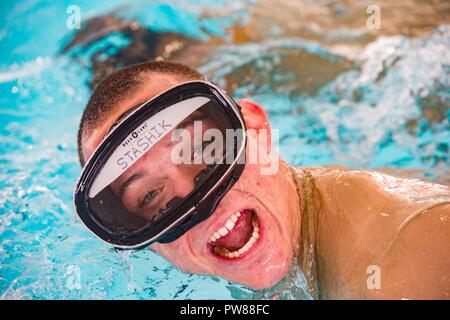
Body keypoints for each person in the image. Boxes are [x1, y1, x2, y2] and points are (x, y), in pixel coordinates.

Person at [75, 60, 450, 299]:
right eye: (153, 195)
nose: (204, 207)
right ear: (147, 242)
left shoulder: (406, 261)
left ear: (256, 130)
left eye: (206, 151)